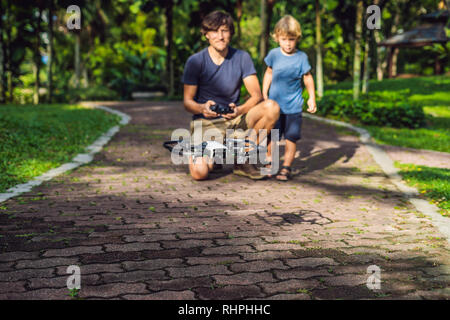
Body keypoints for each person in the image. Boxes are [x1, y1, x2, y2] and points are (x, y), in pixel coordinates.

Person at [182, 11, 280, 181]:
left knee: (271, 107)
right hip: (205, 123)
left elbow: (256, 95)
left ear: (231, 34)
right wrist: (202, 108)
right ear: (206, 34)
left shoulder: (242, 58)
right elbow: (187, 102)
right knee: (200, 173)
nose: (220, 36)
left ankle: (242, 159)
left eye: (225, 31)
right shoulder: (195, 61)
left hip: (234, 120)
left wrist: (239, 109)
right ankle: (213, 155)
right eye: (214, 31)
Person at [262, 15, 317, 181]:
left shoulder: (301, 58)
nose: (287, 43)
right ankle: (270, 162)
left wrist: (311, 98)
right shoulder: (273, 55)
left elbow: (307, 78)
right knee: (272, 136)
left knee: (291, 138)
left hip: (293, 107)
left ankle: (286, 167)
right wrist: (264, 94)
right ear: (277, 38)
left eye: (291, 39)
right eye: (284, 39)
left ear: (297, 39)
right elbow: (268, 73)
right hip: (274, 107)